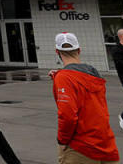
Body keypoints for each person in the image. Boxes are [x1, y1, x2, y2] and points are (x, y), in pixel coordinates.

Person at [51, 32, 119, 163]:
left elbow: (68, 116)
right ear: (79, 50)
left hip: (81, 147)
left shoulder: (64, 77)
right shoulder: (94, 74)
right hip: (105, 143)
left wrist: (62, 140)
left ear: (57, 51)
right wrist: (58, 77)